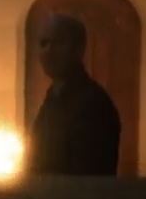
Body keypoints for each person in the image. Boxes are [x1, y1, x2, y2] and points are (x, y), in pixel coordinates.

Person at [28, 13, 121, 176]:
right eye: (44, 44)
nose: (49, 51)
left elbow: (87, 175)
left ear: (78, 49)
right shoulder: (53, 97)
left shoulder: (93, 104)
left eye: (59, 43)